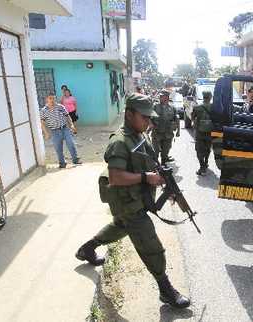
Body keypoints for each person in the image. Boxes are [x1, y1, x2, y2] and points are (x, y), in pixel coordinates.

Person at [75, 94, 190, 308]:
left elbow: (150, 163)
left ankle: (86, 249)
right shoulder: (119, 142)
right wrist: (147, 178)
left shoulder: (139, 135)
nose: (148, 122)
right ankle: (165, 290)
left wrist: (167, 186)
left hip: (135, 199)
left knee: (120, 226)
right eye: (144, 117)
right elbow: (116, 177)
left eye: (150, 118)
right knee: (150, 244)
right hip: (126, 201)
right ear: (129, 115)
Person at [40, 95, 81, 168]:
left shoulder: (60, 107)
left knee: (71, 144)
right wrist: (46, 133)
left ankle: (75, 159)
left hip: (65, 129)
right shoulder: (43, 110)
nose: (52, 100)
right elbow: (42, 123)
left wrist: (72, 125)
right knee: (58, 148)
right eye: (50, 98)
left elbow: (67, 116)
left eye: (53, 98)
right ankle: (62, 163)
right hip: (54, 131)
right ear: (46, 99)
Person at [151, 89, 178, 165]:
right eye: (160, 96)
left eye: (162, 96)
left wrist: (178, 130)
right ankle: (155, 166)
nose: (160, 98)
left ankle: (164, 164)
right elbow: (149, 117)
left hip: (168, 134)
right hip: (157, 133)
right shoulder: (155, 107)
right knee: (155, 151)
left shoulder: (172, 108)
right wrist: (150, 124)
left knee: (165, 151)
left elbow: (176, 119)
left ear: (167, 97)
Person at [192, 91, 213, 175]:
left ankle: (202, 167)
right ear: (210, 97)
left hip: (199, 132)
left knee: (199, 149)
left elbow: (192, 118)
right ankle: (206, 162)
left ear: (203, 96)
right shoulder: (214, 107)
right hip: (210, 132)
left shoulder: (197, 107)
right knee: (208, 148)